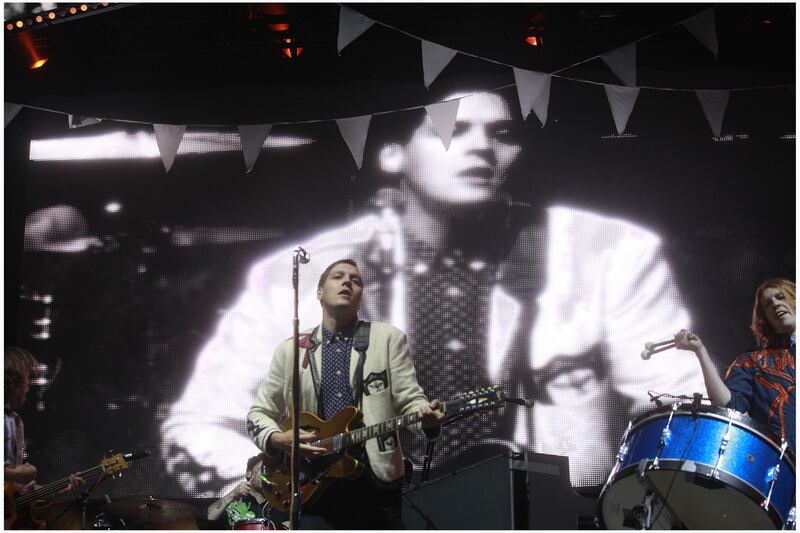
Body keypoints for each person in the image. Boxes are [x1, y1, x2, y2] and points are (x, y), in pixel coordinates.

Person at [162, 88, 705, 494]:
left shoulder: (607, 250)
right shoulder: (308, 269)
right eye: (453, 131)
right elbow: (199, 423)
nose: (482, 150)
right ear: (394, 155)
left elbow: (681, 409)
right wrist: (281, 494)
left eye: (503, 134)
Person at [248, 259, 445, 528]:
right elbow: (259, 413)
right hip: (310, 483)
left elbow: (410, 399)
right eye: (338, 277)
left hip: (374, 479)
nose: (347, 282)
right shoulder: (291, 350)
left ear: (361, 294)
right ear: (319, 292)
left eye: (356, 280)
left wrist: (426, 419)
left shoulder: (387, 338)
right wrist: (278, 438)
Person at [675, 278, 795, 450]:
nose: (775, 304)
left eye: (781, 297)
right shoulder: (754, 362)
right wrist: (700, 351)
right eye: (768, 304)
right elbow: (728, 405)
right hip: (786, 466)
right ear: (765, 318)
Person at [4, 347, 85, 527]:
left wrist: (58, 489)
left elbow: (19, 491)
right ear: (12, 382)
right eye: (26, 378)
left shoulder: (15, 422)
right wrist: (14, 473)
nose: (29, 386)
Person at [197, 453, 278, 530]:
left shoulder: (279, 506)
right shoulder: (231, 503)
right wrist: (232, 494)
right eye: (262, 470)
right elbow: (204, 522)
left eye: (270, 471)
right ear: (248, 473)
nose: (266, 475)